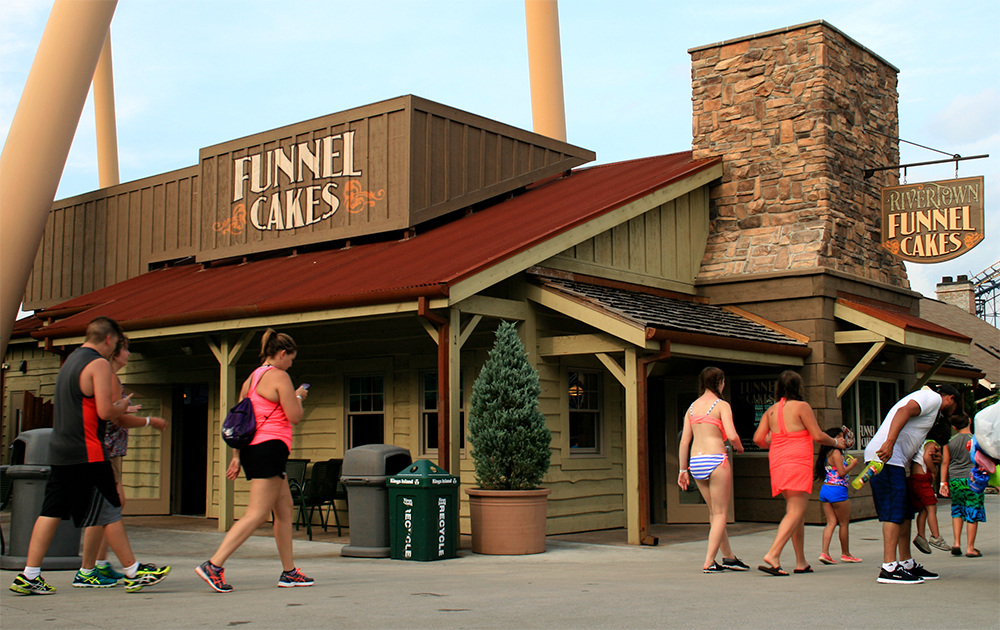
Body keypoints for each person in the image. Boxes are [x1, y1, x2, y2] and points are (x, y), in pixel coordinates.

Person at [9, 317, 171, 595]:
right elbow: (106, 413)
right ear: (109, 340)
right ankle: (133, 571)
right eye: (118, 344)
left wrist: (133, 416)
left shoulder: (70, 361)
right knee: (110, 508)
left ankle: (29, 574)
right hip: (88, 451)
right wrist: (123, 404)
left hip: (61, 449)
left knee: (51, 511)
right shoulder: (97, 364)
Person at [196, 329, 312, 593]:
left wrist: (236, 457)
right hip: (269, 449)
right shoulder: (279, 376)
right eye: (291, 359)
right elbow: (294, 416)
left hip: (252, 449)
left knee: (284, 510)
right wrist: (297, 397)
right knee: (257, 514)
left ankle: (289, 572)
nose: (291, 364)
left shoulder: (251, 379)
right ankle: (213, 565)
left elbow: (240, 418)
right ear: (282, 354)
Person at [86, 335, 169, 584]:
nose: (129, 354)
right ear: (115, 351)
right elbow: (114, 417)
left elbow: (112, 409)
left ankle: (99, 564)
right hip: (106, 450)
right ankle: (90, 569)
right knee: (107, 507)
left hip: (111, 451)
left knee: (111, 507)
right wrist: (149, 421)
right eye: (126, 350)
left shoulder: (111, 377)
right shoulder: (108, 376)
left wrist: (124, 407)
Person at [864, 384, 961, 585]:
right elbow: (904, 411)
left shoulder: (931, 408)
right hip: (885, 457)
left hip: (895, 460)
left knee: (906, 511)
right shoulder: (931, 398)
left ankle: (906, 563)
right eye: (956, 406)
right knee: (894, 510)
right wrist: (890, 442)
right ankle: (889, 567)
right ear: (950, 398)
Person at [753, 370, 843, 576]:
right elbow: (818, 436)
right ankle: (773, 554)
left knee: (796, 512)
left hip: (777, 462)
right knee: (795, 511)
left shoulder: (771, 411)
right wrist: (836, 442)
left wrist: (776, 441)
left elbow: (758, 439)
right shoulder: (802, 407)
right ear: (798, 387)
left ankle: (801, 561)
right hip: (797, 461)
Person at [677, 367, 747, 573]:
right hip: (716, 459)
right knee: (721, 513)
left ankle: (729, 557)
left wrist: (682, 470)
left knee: (714, 513)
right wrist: (739, 447)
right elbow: (732, 435)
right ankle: (709, 561)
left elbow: (684, 442)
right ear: (721, 382)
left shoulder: (692, 407)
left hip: (696, 462)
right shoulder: (721, 405)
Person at [940, 413, 985, 558]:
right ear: (970, 422)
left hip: (955, 481)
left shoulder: (949, 442)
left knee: (957, 510)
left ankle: (956, 543)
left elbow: (945, 463)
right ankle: (970, 548)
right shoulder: (977, 441)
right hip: (973, 480)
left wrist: (943, 483)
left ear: (954, 426)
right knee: (972, 511)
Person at [815, 427, 861, 565]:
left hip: (826, 490)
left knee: (831, 522)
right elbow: (841, 472)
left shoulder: (827, 453)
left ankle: (825, 552)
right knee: (844, 524)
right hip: (838, 491)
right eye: (840, 437)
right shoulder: (836, 452)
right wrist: (852, 465)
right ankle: (846, 553)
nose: (843, 439)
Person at [909, 435, 948, 555]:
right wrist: (934, 471)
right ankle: (936, 537)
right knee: (932, 508)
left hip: (914, 479)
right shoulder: (931, 443)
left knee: (923, 510)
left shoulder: (919, 442)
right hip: (922, 479)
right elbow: (927, 456)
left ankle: (921, 536)